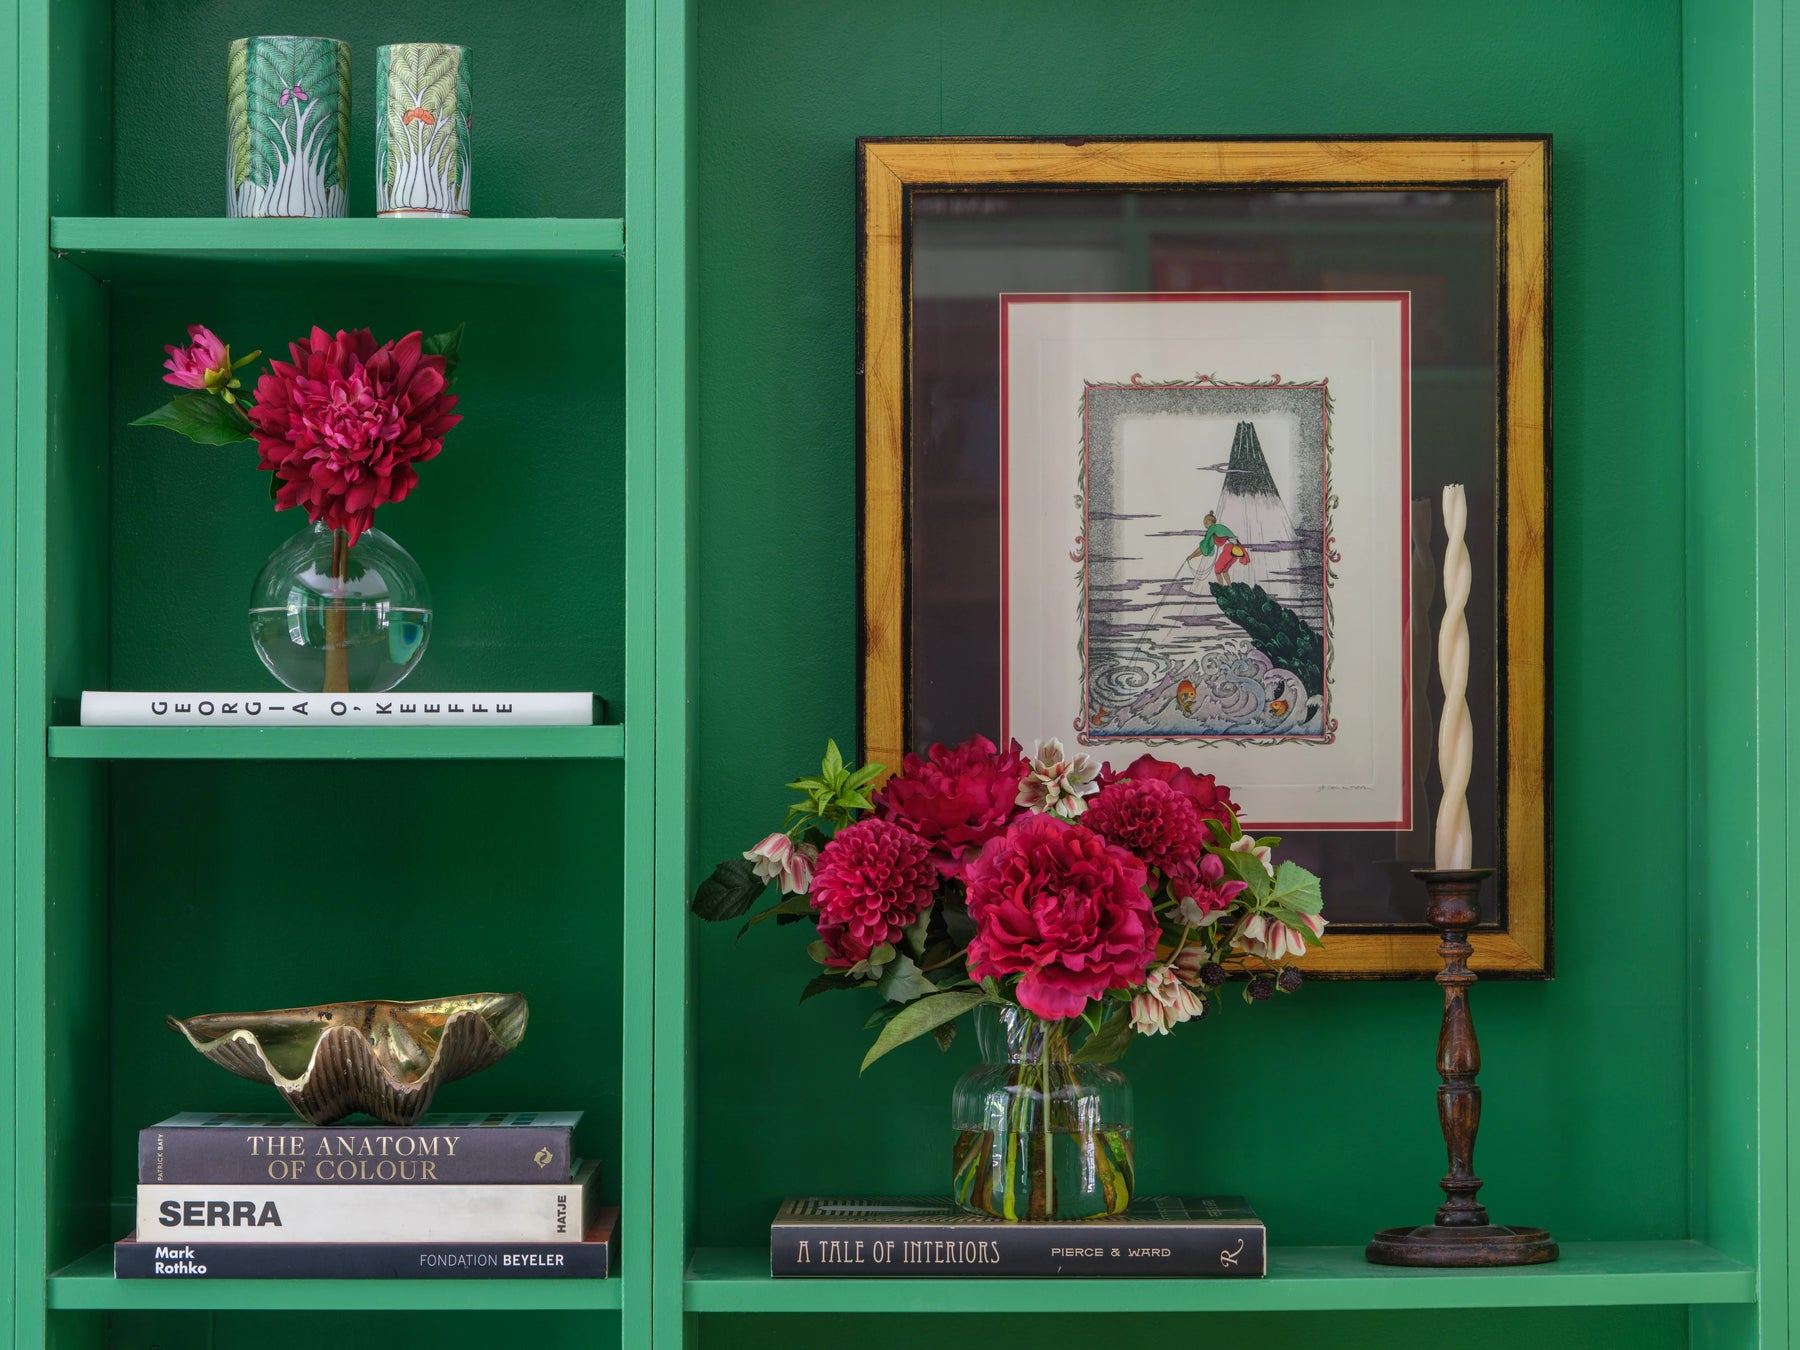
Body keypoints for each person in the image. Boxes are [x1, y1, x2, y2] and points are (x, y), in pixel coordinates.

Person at [1189, 511, 1250, 581]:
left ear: (1209, 522)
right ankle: (1229, 587)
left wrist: (1191, 556)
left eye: (1205, 521)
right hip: (1236, 549)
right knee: (1224, 571)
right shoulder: (1218, 527)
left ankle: (1221, 587)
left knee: (1218, 569)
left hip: (1231, 548)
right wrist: (1192, 556)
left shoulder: (1212, 528)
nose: (1204, 523)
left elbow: (1204, 545)